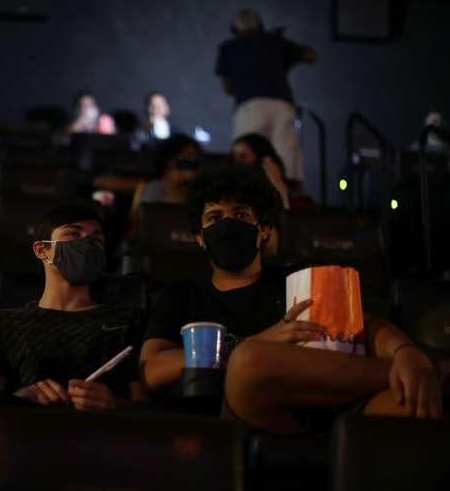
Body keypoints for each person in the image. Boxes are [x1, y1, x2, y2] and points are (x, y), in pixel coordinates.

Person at [139, 165, 444, 435]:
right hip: (252, 410)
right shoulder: (181, 294)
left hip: (336, 407)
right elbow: (152, 370)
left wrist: (406, 353)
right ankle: (431, 372)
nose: (228, 225)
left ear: (264, 230)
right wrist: (258, 342)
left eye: (242, 215)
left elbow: (367, 324)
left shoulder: (296, 279)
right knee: (250, 361)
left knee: (417, 402)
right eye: (215, 217)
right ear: (200, 236)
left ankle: (417, 375)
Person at [0, 204, 146, 490]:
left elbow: (146, 406)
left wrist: (113, 404)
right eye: (73, 234)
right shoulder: (5, 321)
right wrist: (21, 396)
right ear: (42, 250)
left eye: (95, 240)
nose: (86, 244)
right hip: (25, 426)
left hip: (98, 430)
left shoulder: (128, 318)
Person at [215, 9, 317, 183]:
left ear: (235, 30)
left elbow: (227, 88)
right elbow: (312, 56)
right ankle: (290, 194)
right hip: (282, 104)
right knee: (285, 155)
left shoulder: (229, 47)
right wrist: (279, 46)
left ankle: (245, 192)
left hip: (250, 105)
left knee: (247, 152)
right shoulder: (275, 41)